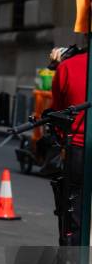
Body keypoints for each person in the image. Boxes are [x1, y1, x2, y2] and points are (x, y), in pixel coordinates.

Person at [50, 45, 87, 246]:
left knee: (74, 218)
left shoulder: (68, 67)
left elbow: (58, 111)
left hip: (77, 150)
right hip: (77, 151)